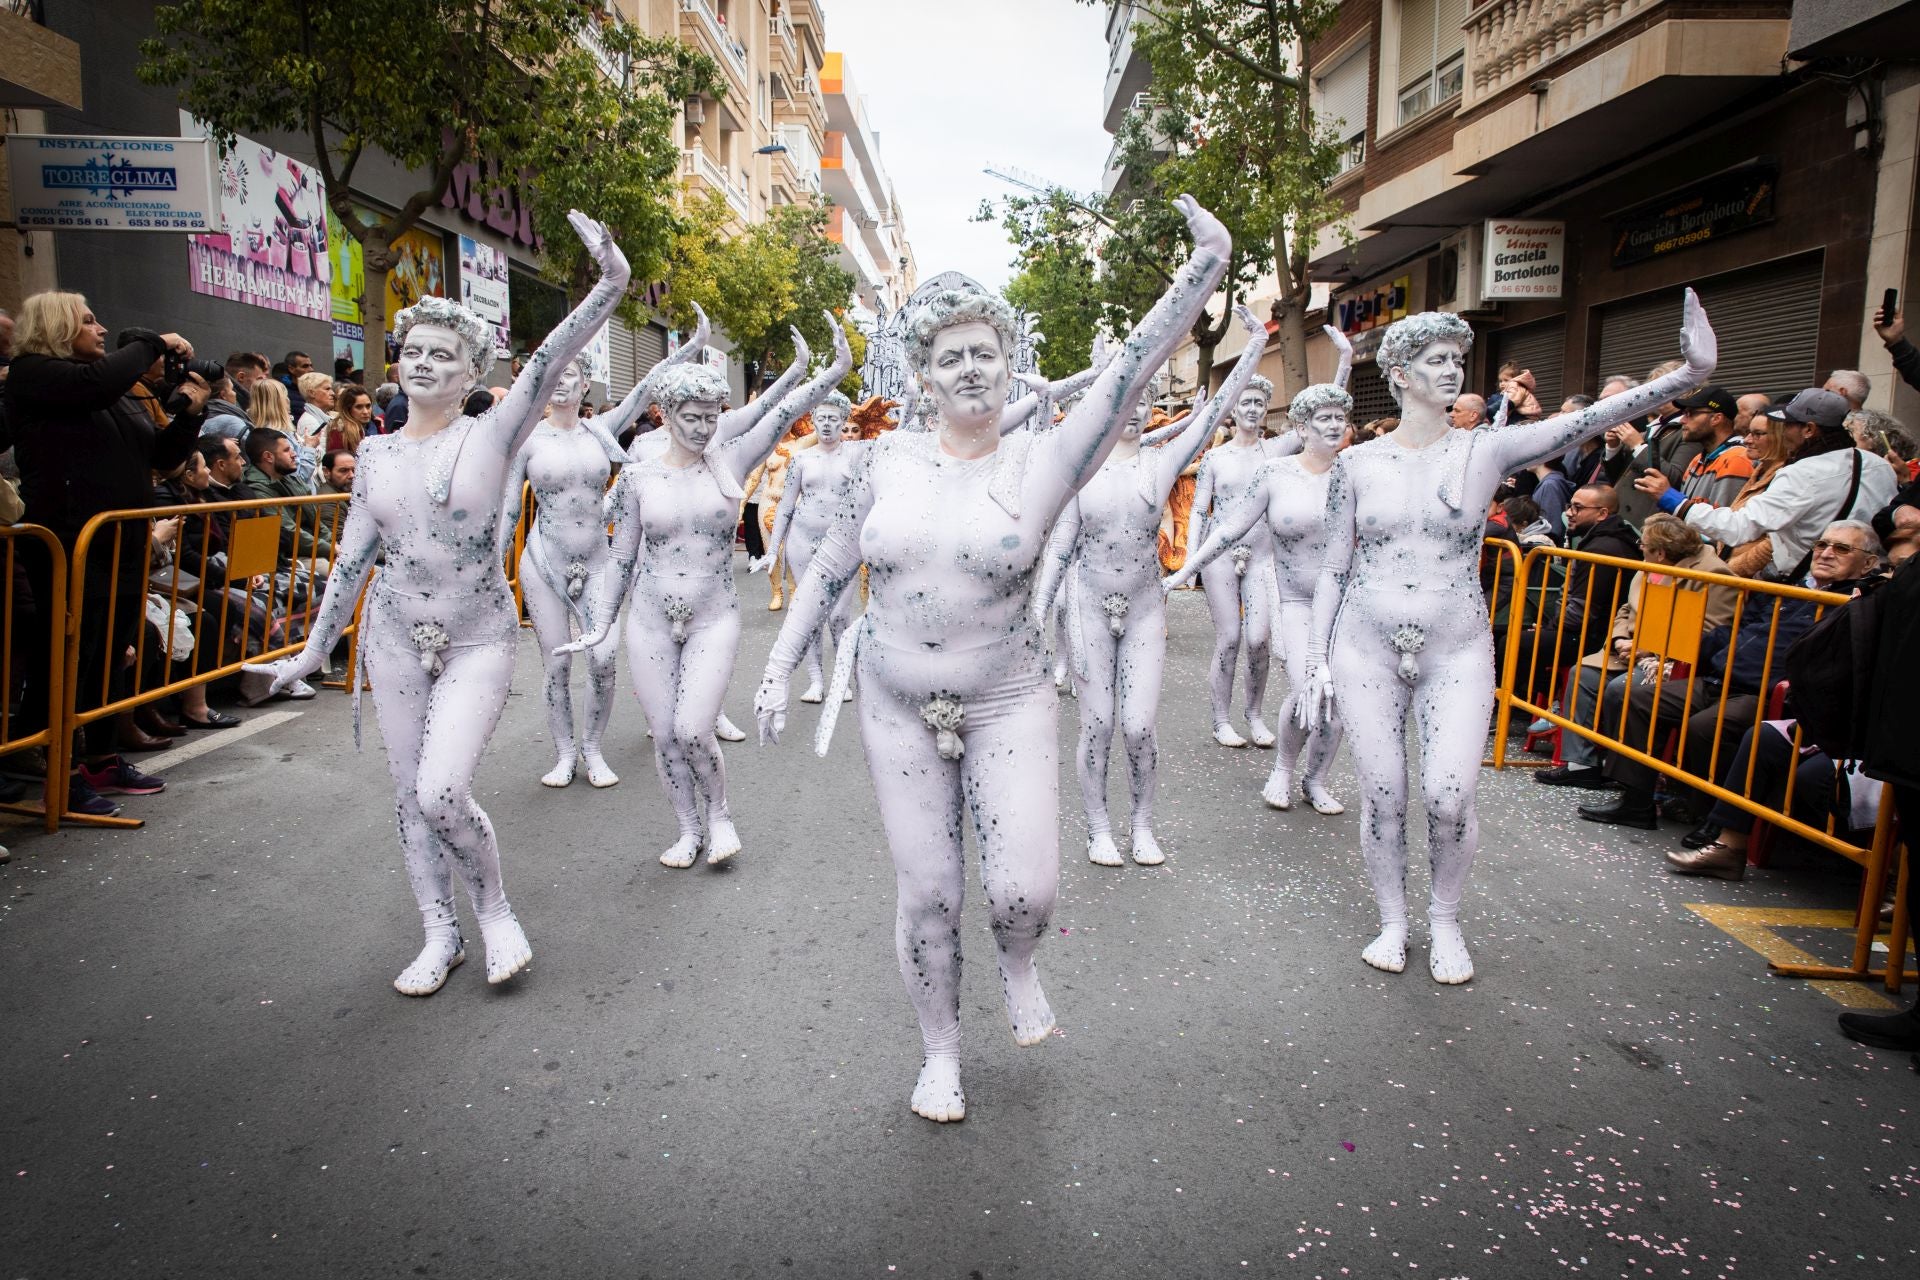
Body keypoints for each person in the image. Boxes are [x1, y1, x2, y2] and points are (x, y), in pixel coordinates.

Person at [754, 197, 1229, 1123]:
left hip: (1007, 697)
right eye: (950, 356)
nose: (971, 368)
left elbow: (1128, 373)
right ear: (924, 376)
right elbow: (827, 566)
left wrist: (1202, 269)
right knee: (928, 893)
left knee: (1024, 891)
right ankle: (940, 1052)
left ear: (1011, 365)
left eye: (987, 352)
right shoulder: (880, 461)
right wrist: (778, 666)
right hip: (894, 699)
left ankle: (1018, 959)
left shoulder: (1045, 460)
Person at [246, 209, 628, 996]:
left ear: (469, 374)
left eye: (442, 356)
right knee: (407, 796)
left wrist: (612, 283)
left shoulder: (492, 437)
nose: (423, 363)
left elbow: (553, 358)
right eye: (413, 351)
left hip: (476, 637)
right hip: (391, 636)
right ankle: (438, 931)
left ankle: (493, 913)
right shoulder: (376, 452)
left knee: (441, 790)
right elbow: (354, 560)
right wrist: (316, 651)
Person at [1299, 291, 1718, 984]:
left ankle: (1444, 918)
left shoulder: (1489, 447)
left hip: (1456, 646)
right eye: (1436, 360)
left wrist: (1686, 376)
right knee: (1383, 794)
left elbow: (1589, 418)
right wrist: (1315, 660)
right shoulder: (1358, 464)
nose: (1452, 371)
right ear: (1399, 374)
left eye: (1458, 360)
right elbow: (1334, 569)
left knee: (1448, 793)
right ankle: (1393, 922)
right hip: (1364, 645)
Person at [565, 321, 850, 864]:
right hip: (648, 619)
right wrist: (601, 624)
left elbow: (783, 415)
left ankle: (719, 816)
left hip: (713, 616)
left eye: (710, 417)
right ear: (666, 417)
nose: (701, 428)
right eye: (690, 418)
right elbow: (621, 558)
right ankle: (687, 828)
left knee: (694, 728)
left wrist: (830, 371)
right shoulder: (638, 479)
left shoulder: (732, 462)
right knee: (665, 734)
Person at [1037, 310, 1261, 866]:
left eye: (1143, 401)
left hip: (1143, 609)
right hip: (1088, 606)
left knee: (1138, 727)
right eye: (1124, 399)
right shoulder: (1079, 468)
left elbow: (1211, 419)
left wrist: (1255, 345)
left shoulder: (1163, 462)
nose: (1133, 411)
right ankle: (1098, 828)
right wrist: (1038, 613)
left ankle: (1141, 824)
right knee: (1099, 724)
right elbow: (1061, 544)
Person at [2, 292, 212, 813]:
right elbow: (91, 386)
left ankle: (99, 757)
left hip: (119, 544)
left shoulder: (111, 392)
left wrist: (188, 413)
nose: (101, 330)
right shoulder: (37, 375)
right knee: (72, 658)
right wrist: (154, 341)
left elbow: (161, 457)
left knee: (108, 657)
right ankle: (60, 772)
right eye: (89, 321)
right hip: (72, 544)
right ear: (56, 327)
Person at [1577, 519, 1881, 830]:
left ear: (1868, 562)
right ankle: (1636, 801)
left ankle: (1712, 816)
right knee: (1633, 695)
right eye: (1821, 544)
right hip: (1718, 677)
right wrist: (1686, 651)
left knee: (1704, 726)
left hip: (1763, 691)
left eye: (1841, 548)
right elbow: (1735, 630)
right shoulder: (1788, 590)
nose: (1826, 553)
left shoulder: (1857, 605)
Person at [1167, 349, 1352, 819]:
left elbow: (1325, 409)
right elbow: (1206, 514)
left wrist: (1345, 361)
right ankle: (1223, 719)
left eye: (1257, 402)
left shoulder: (1282, 451)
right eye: (1243, 401)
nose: (1250, 409)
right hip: (1225, 557)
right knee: (1231, 638)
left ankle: (1256, 716)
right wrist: (1189, 562)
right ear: (1232, 409)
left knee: (1259, 642)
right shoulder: (1217, 460)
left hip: (1270, 559)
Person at [498, 356, 631, 789]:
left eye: (568, 375)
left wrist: (691, 350)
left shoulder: (600, 433)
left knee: (604, 658)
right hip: (544, 562)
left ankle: (592, 747)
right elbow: (509, 510)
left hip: (597, 560)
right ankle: (565, 753)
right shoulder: (527, 440)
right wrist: (492, 569)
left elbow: (644, 393)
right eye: (552, 376)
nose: (559, 384)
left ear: (585, 383)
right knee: (556, 666)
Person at [1533, 514, 1738, 789]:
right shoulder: (1649, 565)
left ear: (1662, 553)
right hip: (1630, 649)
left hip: (1672, 663)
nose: (1639, 547)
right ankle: (1581, 764)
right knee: (1584, 674)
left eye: (1645, 545)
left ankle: (1627, 777)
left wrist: (1649, 649)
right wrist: (1619, 639)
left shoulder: (1714, 574)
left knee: (1622, 688)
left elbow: (1711, 633)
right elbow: (1626, 609)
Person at [1662, 389, 1898, 582]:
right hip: (1864, 584)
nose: (1781, 433)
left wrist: (1675, 501)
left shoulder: (1800, 474)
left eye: (1787, 425)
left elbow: (1740, 527)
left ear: (1809, 429)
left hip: (1808, 587)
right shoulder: (1880, 465)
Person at [751, 389, 866, 704]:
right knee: (810, 614)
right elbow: (786, 507)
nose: (827, 424)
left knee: (840, 615)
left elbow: (898, 441)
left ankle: (842, 681)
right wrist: (773, 551)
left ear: (844, 422)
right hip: (803, 541)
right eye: (821, 418)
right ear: (813, 421)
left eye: (834, 419)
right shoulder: (801, 458)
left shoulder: (855, 454)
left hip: (842, 544)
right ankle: (816, 681)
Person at [1516, 483, 1639, 699]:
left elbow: (1582, 611)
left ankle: (1549, 700)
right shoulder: (1599, 540)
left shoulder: (1602, 549)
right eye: (1570, 506)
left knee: (1516, 642)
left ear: (1602, 514)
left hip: (1594, 637)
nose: (1569, 513)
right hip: (1587, 630)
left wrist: (1550, 630)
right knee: (1521, 634)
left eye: (1578, 508)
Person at [1634, 384, 1751, 511]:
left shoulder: (1737, 459)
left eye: (1690, 413)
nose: (1682, 420)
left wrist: (1668, 496)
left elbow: (1721, 524)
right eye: (1684, 413)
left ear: (1716, 418)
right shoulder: (1697, 460)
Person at [325, 383, 373, 454]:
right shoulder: (339, 432)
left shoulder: (371, 426)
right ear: (347, 409)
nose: (365, 411)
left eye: (368, 406)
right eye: (359, 407)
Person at [296, 372, 334, 445]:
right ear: (311, 393)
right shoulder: (309, 422)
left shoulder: (322, 417)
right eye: (327, 389)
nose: (332, 393)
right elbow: (317, 454)